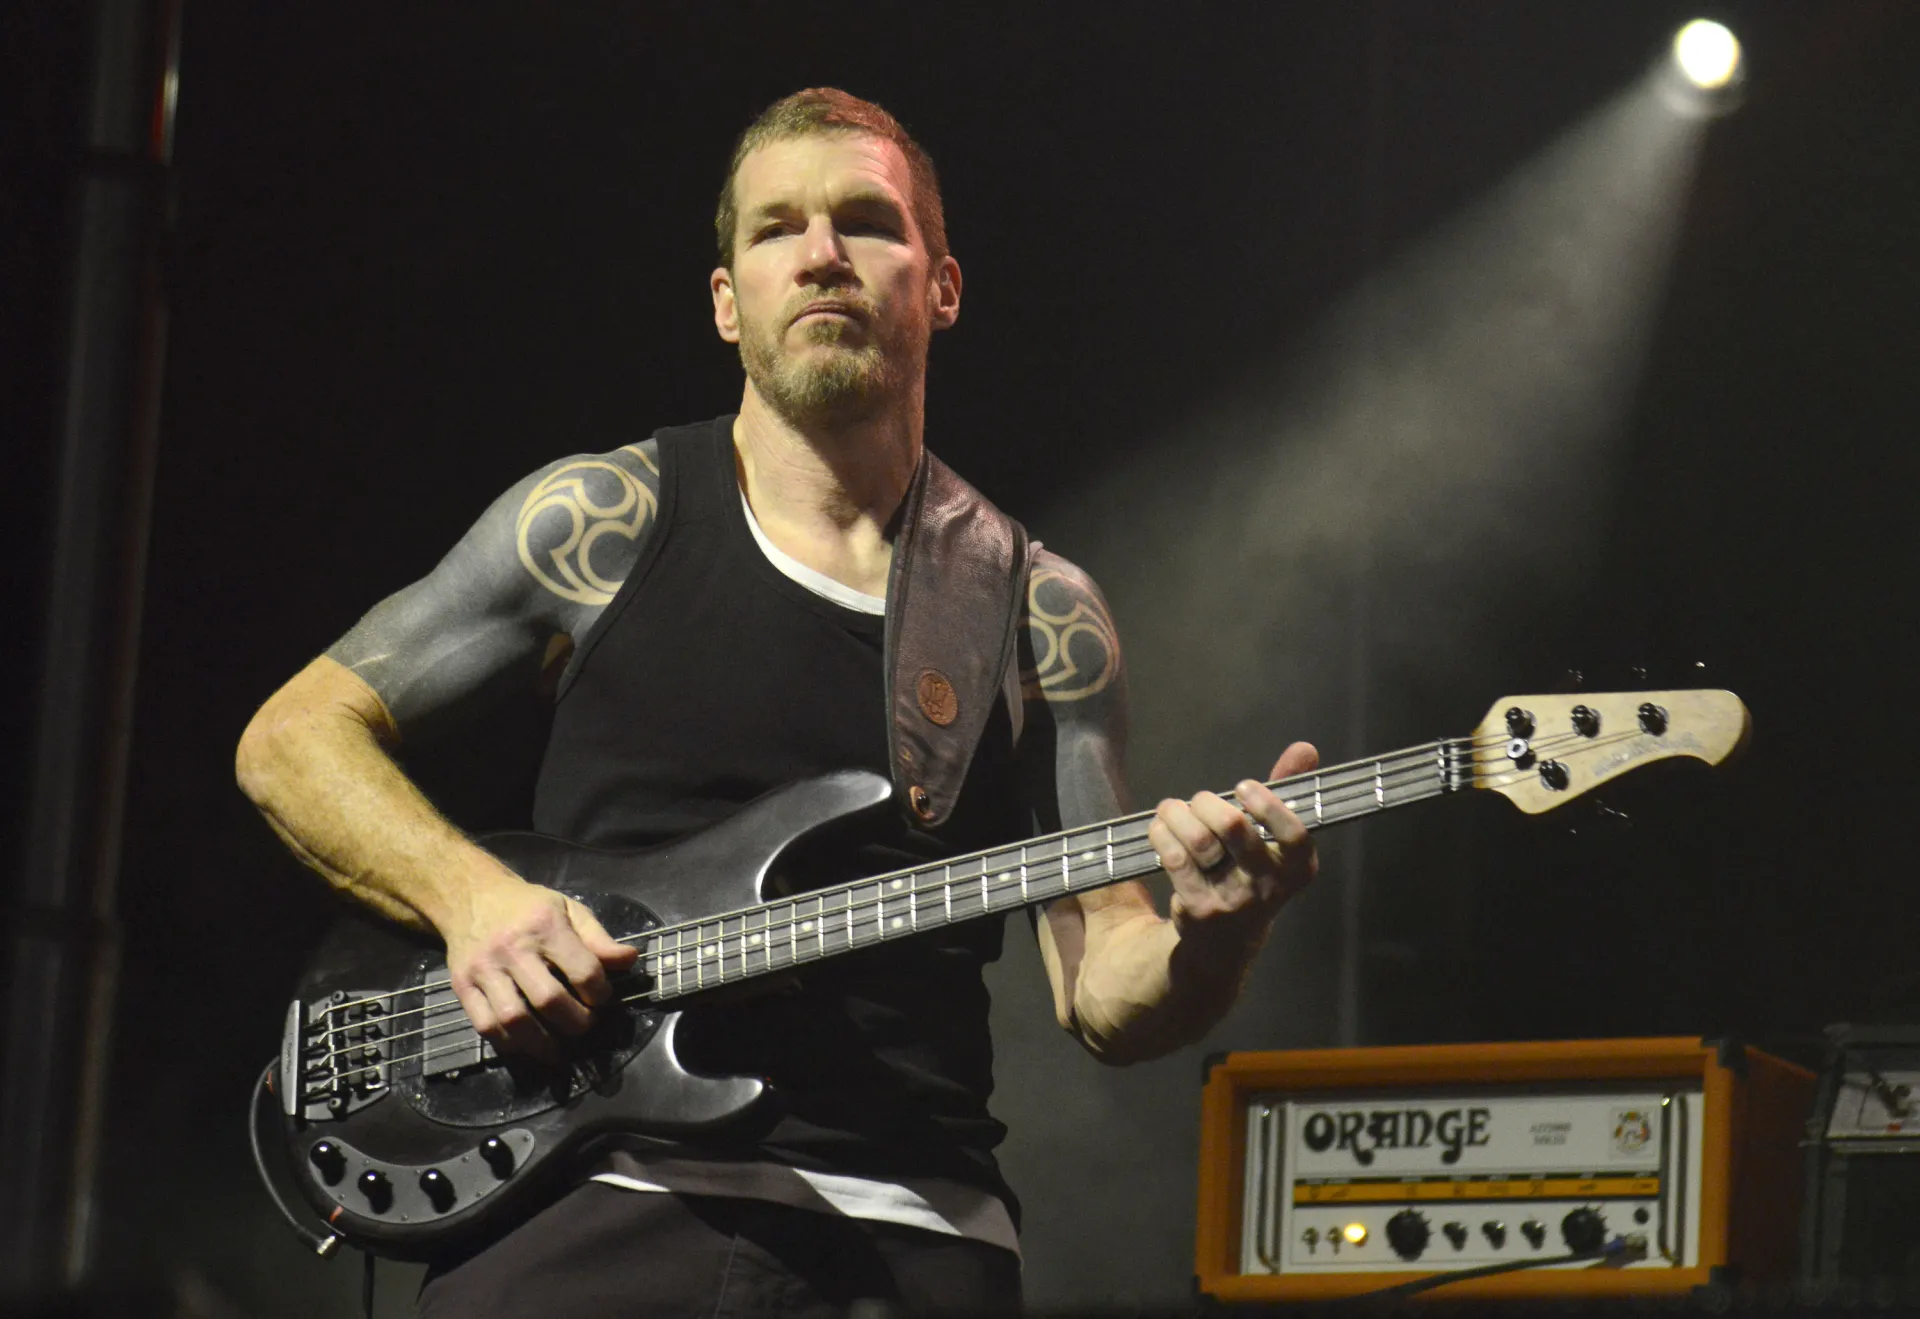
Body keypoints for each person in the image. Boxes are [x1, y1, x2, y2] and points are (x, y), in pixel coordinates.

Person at [236, 87, 1319, 1318]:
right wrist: (475, 901)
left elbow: (1107, 984)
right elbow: (293, 738)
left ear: (943, 285)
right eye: (776, 228)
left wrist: (1216, 936)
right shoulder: (602, 522)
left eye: (867, 221)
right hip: (591, 1208)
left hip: (911, 1232)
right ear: (725, 299)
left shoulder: (1037, 614)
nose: (821, 253)